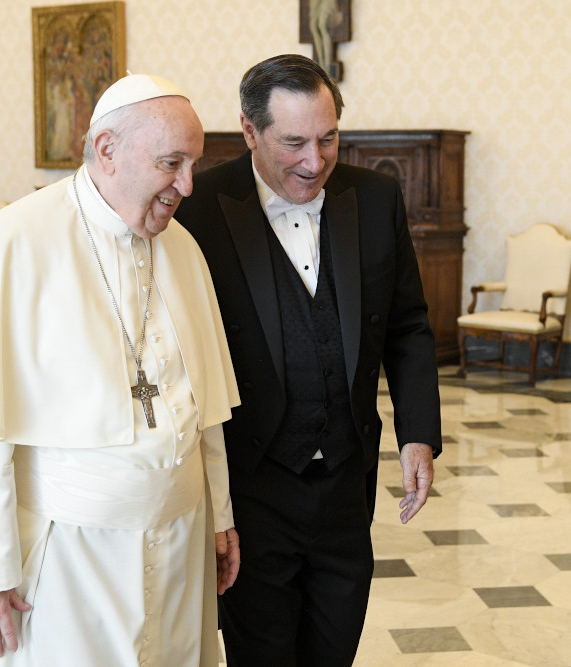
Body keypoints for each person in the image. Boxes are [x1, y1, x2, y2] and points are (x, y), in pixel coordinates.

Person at [0, 74, 241, 666]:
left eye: (193, 163)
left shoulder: (182, 248)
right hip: (69, 559)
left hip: (181, 541)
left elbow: (204, 409)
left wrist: (221, 517)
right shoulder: (2, 249)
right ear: (107, 151)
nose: (187, 184)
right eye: (171, 162)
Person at [176, 54, 442, 666]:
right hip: (252, 486)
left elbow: (407, 326)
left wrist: (418, 435)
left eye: (328, 140)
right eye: (293, 142)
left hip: (347, 484)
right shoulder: (200, 209)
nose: (314, 162)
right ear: (249, 132)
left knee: (334, 647)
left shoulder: (375, 198)